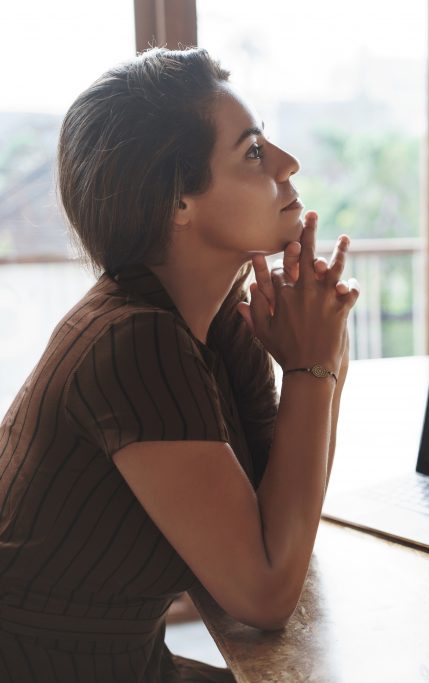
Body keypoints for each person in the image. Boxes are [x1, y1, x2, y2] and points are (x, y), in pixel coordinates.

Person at [0, 47, 358, 681]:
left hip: (124, 661)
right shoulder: (136, 342)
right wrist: (312, 370)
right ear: (177, 202)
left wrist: (320, 357)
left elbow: (280, 517)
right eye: (252, 152)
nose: (287, 163)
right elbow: (264, 595)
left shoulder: (215, 320)